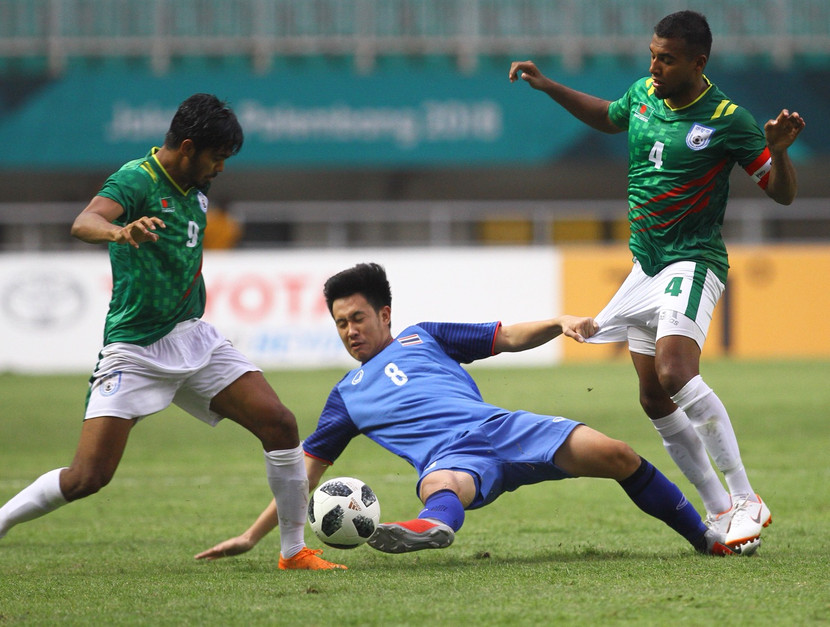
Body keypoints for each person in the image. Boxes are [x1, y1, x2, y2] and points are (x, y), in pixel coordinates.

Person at [0, 93, 343, 571]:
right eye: (217, 157)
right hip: (136, 349)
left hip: (192, 337)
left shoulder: (196, 190)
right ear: (187, 147)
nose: (221, 168)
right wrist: (120, 232)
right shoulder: (136, 179)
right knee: (88, 477)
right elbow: (84, 222)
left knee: (280, 424)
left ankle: (293, 551)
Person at [196, 262, 738, 562]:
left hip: (504, 427)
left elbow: (506, 337)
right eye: (340, 324)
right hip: (450, 459)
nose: (350, 331)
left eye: (357, 318)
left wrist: (558, 322)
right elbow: (303, 474)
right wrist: (252, 536)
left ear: (384, 314)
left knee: (618, 454)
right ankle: (431, 526)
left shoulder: (424, 336)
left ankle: (705, 539)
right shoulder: (345, 397)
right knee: (443, 485)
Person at [509, 10, 805, 553]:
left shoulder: (729, 119)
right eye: (652, 55)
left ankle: (746, 498)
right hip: (646, 265)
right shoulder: (644, 93)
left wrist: (780, 153)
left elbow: (782, 193)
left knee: (674, 372)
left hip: (693, 260)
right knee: (651, 395)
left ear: (698, 62)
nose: (654, 66)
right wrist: (548, 85)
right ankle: (719, 510)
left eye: (666, 59)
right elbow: (607, 117)